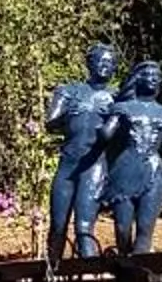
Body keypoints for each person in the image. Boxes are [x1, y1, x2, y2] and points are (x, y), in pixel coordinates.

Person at [43, 42, 122, 259]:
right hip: (68, 165)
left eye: (110, 63)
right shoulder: (69, 91)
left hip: (94, 165)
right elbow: (50, 123)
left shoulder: (117, 97)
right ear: (90, 63)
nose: (106, 66)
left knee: (84, 227)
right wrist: (69, 112)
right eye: (101, 61)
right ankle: (53, 279)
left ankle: (91, 278)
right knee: (58, 226)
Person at [104, 60, 162, 254]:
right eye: (148, 75)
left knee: (145, 230)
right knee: (122, 229)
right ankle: (125, 273)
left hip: (154, 173)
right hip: (124, 171)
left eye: (157, 77)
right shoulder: (123, 108)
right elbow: (104, 137)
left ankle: (139, 276)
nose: (153, 79)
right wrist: (112, 113)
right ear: (138, 79)